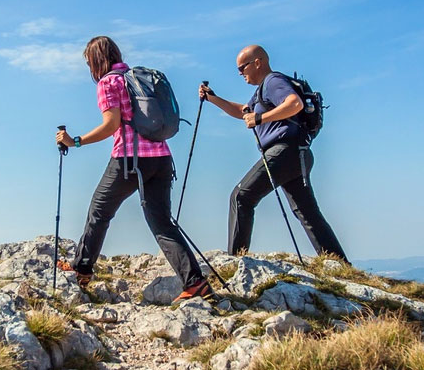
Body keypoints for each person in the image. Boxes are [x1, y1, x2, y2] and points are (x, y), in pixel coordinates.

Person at [55, 36, 213, 304]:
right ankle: (195, 283)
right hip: (161, 159)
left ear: (95, 61)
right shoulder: (136, 78)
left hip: (129, 160)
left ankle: (82, 269)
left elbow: (111, 125)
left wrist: (76, 141)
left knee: (99, 211)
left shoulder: (109, 83)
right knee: (162, 222)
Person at [199, 45, 350, 263]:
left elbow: (294, 104)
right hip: (298, 153)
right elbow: (243, 111)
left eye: (242, 67)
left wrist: (261, 119)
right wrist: (213, 98)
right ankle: (340, 263)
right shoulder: (261, 91)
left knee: (241, 196)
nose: (240, 73)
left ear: (258, 62)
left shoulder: (273, 81)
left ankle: (236, 260)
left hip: (285, 152)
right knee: (307, 213)